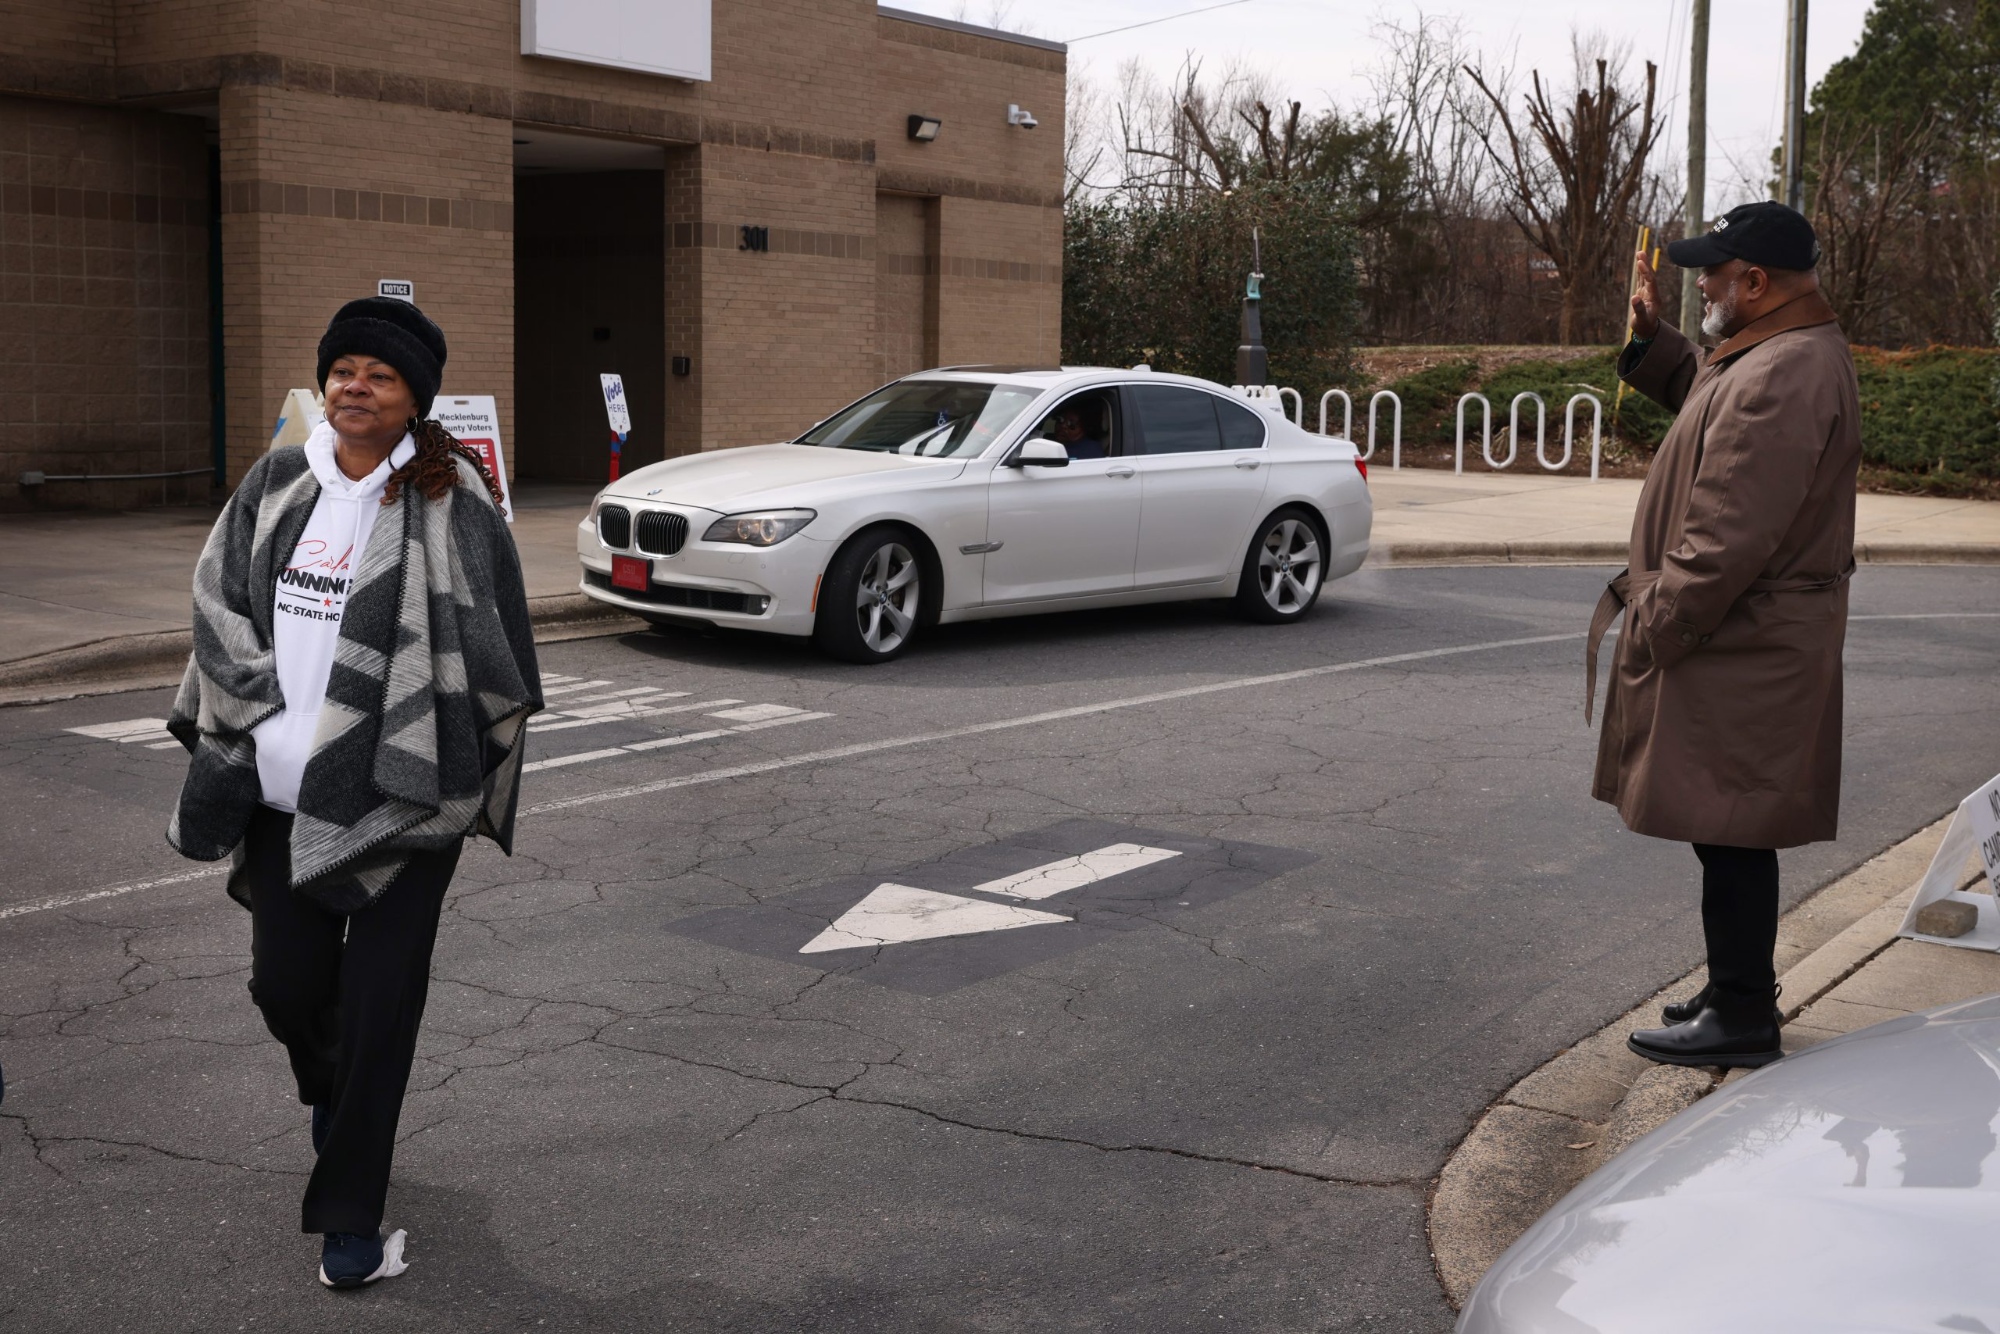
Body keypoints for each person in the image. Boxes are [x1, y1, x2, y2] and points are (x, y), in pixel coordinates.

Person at [166, 297, 542, 1288]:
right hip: (280, 792)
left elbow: (496, 642)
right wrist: (249, 697)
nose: (355, 387)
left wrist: (449, 743)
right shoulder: (280, 480)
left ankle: (351, 1216)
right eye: (342, 371)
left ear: (416, 398)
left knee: (380, 1008)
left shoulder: (451, 500)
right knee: (286, 989)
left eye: (380, 374)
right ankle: (336, 1099)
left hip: (405, 797)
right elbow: (216, 596)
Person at [1586, 201, 1860, 1069]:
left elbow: (1726, 531)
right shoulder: (1774, 350)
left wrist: (1658, 625)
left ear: (1756, 281)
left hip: (1745, 641)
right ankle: (1734, 988)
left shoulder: (1784, 369)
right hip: (1749, 638)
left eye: (1712, 271)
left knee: (1734, 826)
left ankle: (1741, 1013)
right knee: (1727, 824)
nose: (1701, 283)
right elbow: (1711, 405)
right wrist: (1656, 341)